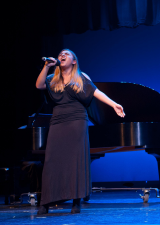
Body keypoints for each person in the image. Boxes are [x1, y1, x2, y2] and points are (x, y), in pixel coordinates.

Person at [35, 49, 125, 214]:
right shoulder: (52, 78)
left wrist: (114, 104)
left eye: (67, 54)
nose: (62, 55)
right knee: (51, 162)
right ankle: (45, 202)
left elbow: (97, 92)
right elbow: (39, 85)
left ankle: (76, 201)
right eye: (61, 53)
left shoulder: (82, 77)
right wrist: (47, 66)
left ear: (74, 61)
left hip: (77, 120)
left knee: (75, 161)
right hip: (58, 121)